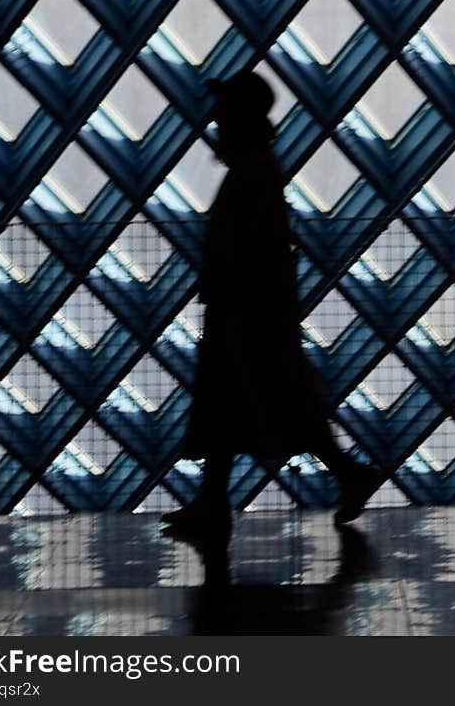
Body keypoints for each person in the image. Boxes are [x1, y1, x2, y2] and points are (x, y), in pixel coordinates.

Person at [162, 70, 380, 561]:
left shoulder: (253, 171)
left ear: (240, 116)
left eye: (223, 110)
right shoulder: (256, 167)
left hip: (246, 309)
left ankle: (344, 474)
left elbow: (253, 246)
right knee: (249, 402)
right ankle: (218, 499)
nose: (214, 119)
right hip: (248, 306)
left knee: (260, 401)